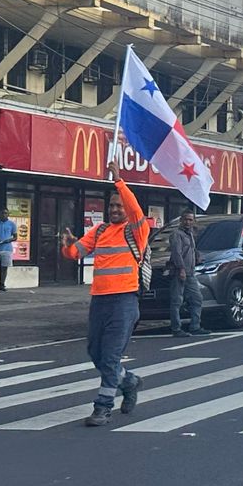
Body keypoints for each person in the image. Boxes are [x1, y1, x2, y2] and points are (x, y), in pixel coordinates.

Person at [60, 162, 150, 427]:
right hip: (100, 301)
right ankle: (129, 382)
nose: (114, 209)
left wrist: (119, 181)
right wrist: (67, 246)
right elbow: (77, 252)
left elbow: (135, 209)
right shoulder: (99, 231)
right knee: (96, 353)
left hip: (124, 301)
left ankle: (103, 407)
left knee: (110, 356)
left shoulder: (136, 229)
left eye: (118, 205)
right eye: (111, 206)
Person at [167, 210, 209, 337]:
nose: (188, 222)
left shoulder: (190, 234)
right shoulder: (176, 234)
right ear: (181, 220)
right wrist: (181, 269)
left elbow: (192, 249)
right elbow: (176, 253)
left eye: (190, 220)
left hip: (190, 272)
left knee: (197, 299)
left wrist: (197, 257)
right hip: (180, 272)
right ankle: (176, 329)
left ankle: (195, 326)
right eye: (186, 219)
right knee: (177, 301)